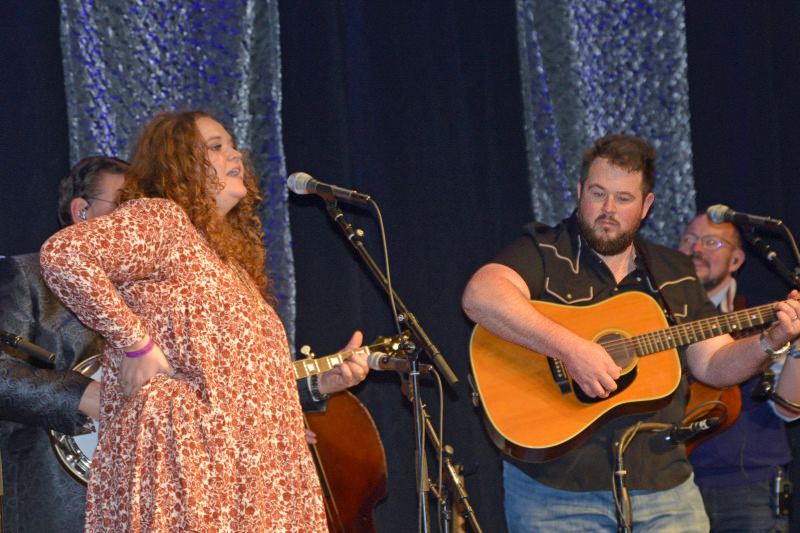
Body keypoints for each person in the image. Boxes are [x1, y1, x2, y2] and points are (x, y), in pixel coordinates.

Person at [39, 110, 368, 532]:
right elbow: (65, 257)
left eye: (233, 145)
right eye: (216, 146)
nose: (237, 155)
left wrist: (321, 383)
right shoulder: (163, 221)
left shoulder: (230, 264)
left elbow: (234, 380)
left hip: (250, 474)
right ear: (177, 164)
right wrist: (136, 343)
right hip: (191, 465)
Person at [461, 134, 800, 532]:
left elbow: (712, 363)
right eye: (597, 193)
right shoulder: (545, 250)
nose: (608, 209)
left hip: (663, 484)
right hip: (555, 489)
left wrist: (769, 342)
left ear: (646, 206)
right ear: (579, 192)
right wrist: (570, 348)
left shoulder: (673, 270)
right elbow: (481, 295)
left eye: (623, 198)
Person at [0, 155, 127, 533]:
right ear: (82, 211)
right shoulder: (27, 274)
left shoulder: (155, 294)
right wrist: (85, 396)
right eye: (125, 206)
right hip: (57, 506)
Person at [679, 213, 800, 532]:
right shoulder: (650, 315)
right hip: (666, 485)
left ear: (737, 259)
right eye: (688, 239)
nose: (696, 249)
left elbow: (788, 408)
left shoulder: (766, 314)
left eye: (712, 242)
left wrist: (796, 342)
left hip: (747, 488)